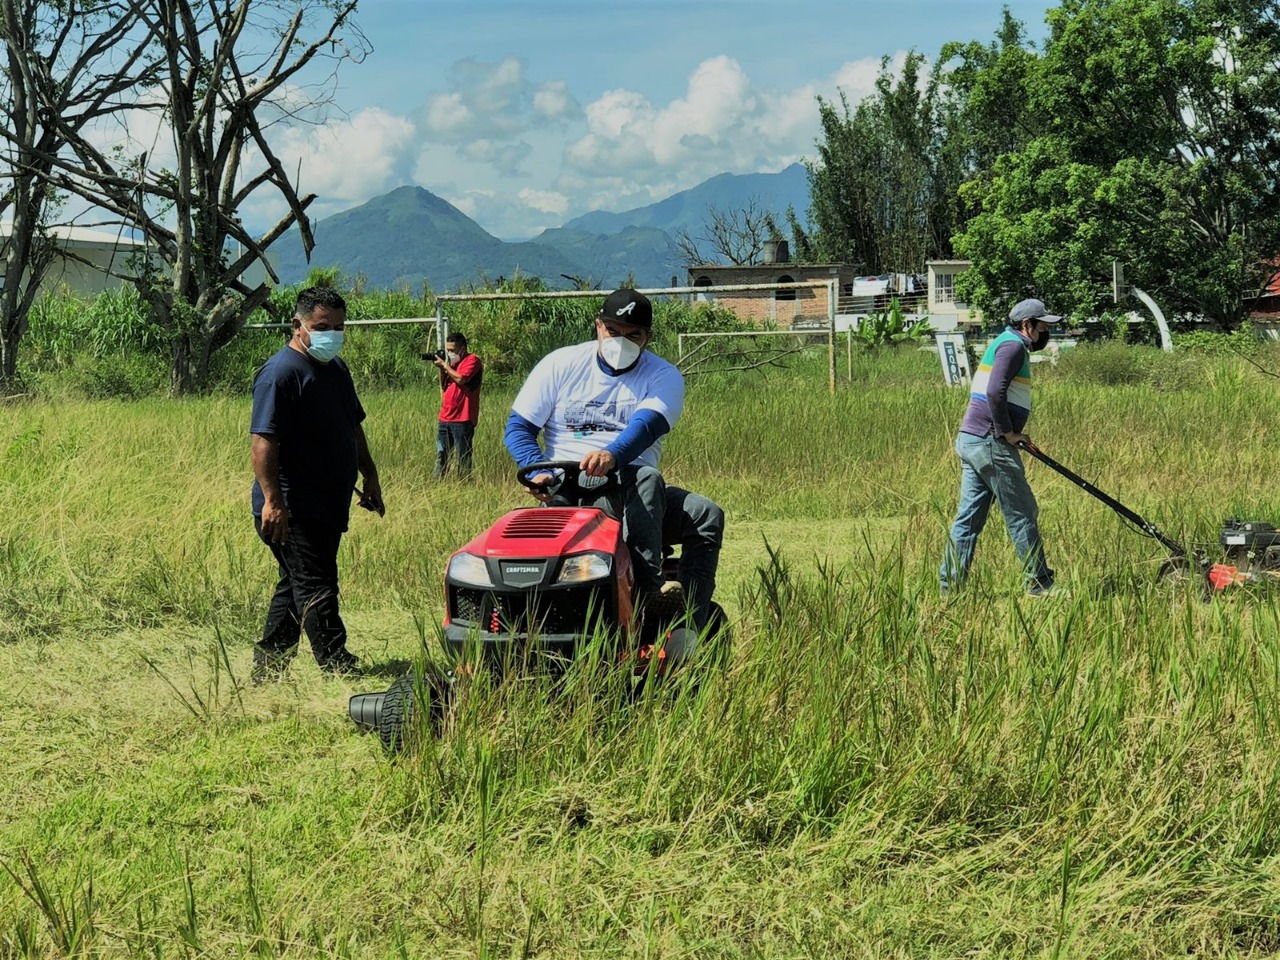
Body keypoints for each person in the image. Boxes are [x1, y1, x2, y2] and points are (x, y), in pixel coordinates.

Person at [503, 288, 684, 600]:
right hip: (561, 478)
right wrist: (535, 469)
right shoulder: (559, 364)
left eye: (633, 335)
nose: (621, 342)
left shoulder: (663, 375)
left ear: (648, 338)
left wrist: (612, 455)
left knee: (652, 481)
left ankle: (645, 591)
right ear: (598, 326)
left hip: (625, 477)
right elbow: (518, 428)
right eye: (613, 331)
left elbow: (645, 427)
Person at [249, 286, 384, 680]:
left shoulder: (336, 369)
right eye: (322, 326)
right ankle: (336, 664)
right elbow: (263, 441)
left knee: (295, 584)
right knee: (316, 584)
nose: (332, 334)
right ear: (298, 325)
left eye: (339, 327)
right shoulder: (281, 374)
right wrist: (273, 501)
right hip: (292, 507)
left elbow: (352, 427)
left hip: (328, 502)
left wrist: (369, 474)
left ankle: (269, 668)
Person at [939, 297, 1060, 597]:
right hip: (990, 442)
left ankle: (950, 588)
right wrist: (1007, 432)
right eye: (1041, 324)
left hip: (974, 439)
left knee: (968, 520)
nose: (1045, 330)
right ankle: (1039, 583)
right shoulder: (1013, 346)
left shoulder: (1003, 342)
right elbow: (995, 391)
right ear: (1025, 325)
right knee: (1022, 511)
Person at [663, 485, 724, 632]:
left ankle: (687, 629)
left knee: (705, 513)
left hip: (638, 485)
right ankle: (648, 586)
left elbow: (645, 462)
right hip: (602, 494)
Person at [432, 330, 483, 478]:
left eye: (452, 350)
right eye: (448, 350)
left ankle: (464, 483)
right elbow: (444, 386)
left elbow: (461, 379)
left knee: (463, 457)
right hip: (445, 417)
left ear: (463, 348)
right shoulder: (450, 364)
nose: (450, 353)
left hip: (463, 418)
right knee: (442, 454)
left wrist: (445, 365)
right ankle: (438, 482)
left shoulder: (472, 360)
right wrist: (443, 368)